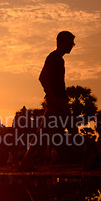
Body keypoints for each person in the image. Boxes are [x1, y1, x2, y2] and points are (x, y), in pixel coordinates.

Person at [19, 31, 75, 169]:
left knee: (43, 133)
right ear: (61, 42)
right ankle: (88, 161)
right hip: (56, 101)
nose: (72, 45)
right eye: (70, 43)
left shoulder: (59, 59)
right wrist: (53, 97)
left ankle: (26, 161)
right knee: (72, 128)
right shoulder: (54, 58)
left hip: (57, 100)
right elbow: (42, 77)